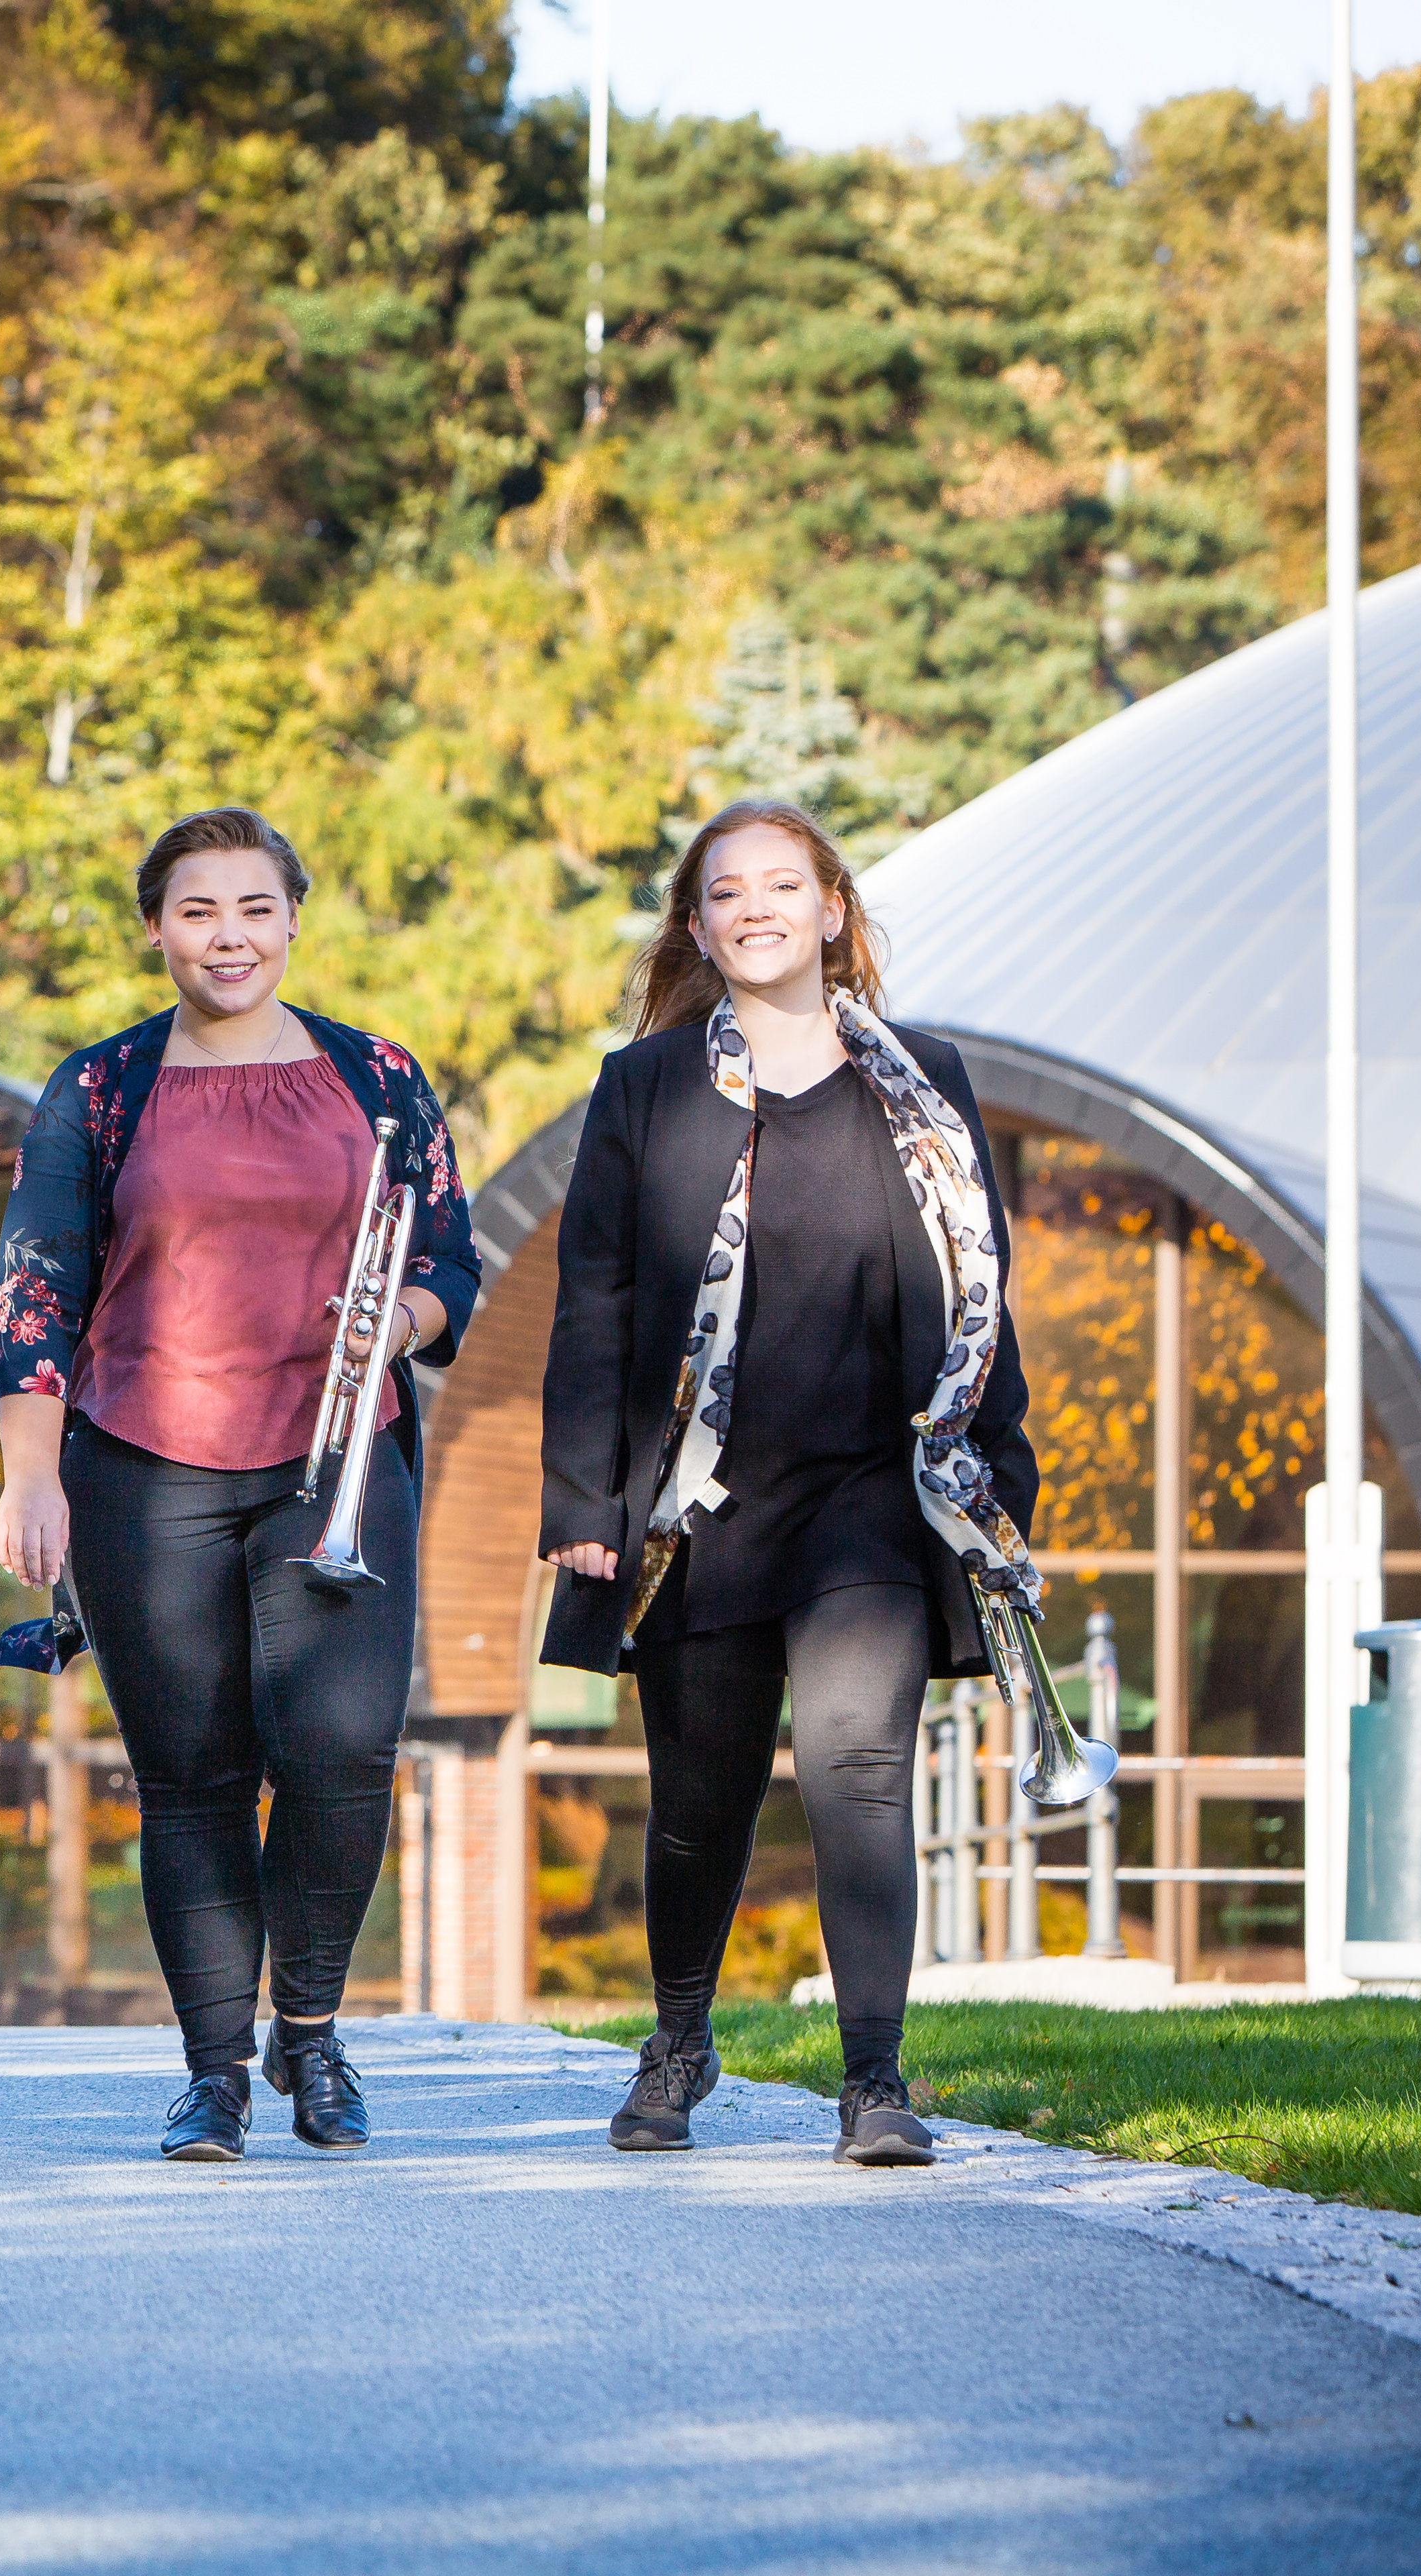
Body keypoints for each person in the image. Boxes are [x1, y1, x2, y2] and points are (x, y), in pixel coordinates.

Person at [535, 798, 1040, 2170]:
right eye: (726, 894)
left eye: (782, 886)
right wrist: (583, 1503)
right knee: (700, 1804)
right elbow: (594, 1303)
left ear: (832, 911)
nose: (755, 909)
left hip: (873, 1500)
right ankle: (680, 2041)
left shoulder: (922, 1078)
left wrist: (1001, 1484)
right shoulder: (643, 1089)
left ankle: (875, 2083)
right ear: (697, 928)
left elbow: (982, 1292)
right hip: (699, 1509)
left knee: (858, 1772)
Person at [0, 808, 476, 2164]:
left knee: (345, 1754)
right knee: (193, 1779)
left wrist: (409, 1326)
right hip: (144, 1465)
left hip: (335, 1453)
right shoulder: (98, 1090)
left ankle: (308, 2028)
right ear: (158, 929)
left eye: (254, 908)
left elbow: (449, 1257)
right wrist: (33, 1477)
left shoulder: (378, 1077)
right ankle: (214, 2074)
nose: (228, 937)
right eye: (198, 911)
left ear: (294, 918)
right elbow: (36, 1292)